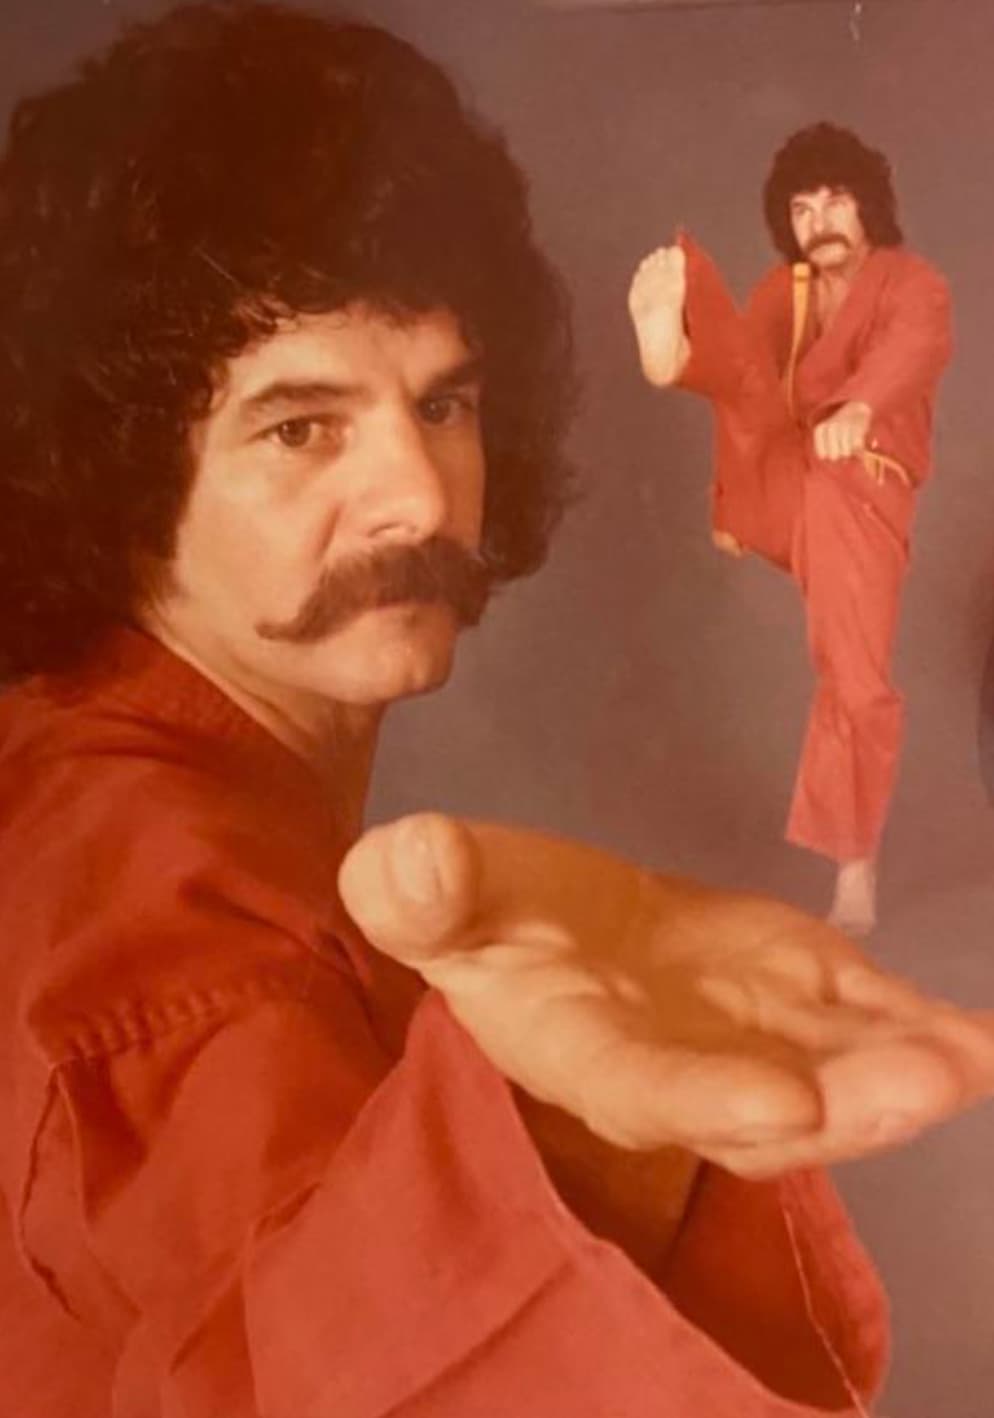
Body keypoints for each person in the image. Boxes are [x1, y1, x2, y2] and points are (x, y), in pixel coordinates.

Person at [1, 11, 991, 1415]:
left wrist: (600, 1120)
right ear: (113, 472)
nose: (417, 496)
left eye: (443, 403)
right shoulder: (166, 917)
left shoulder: (75, 769)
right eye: (300, 426)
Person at [628, 123, 952, 936]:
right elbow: (747, 376)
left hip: (858, 489)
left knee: (854, 679)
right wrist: (732, 497)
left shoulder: (911, 282)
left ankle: (855, 870)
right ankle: (672, 355)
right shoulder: (790, 287)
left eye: (835, 200)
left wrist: (860, 408)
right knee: (739, 358)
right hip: (783, 482)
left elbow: (916, 346)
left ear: (868, 204)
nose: (820, 221)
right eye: (803, 209)